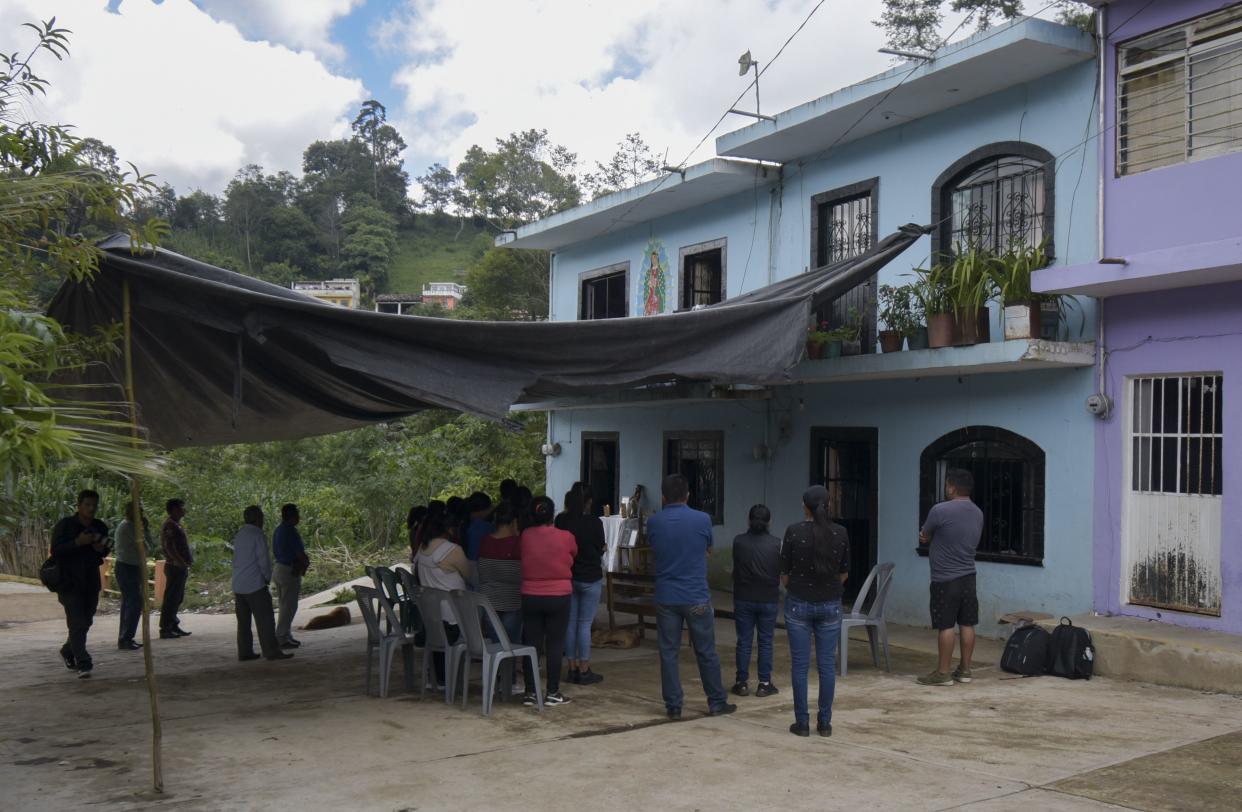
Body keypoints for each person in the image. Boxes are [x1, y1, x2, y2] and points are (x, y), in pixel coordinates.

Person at [646, 474, 735, 720]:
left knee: (668, 651)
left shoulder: (654, 522)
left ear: (663, 497)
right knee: (706, 651)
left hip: (666, 596)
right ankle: (716, 702)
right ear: (688, 495)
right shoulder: (703, 519)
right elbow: (707, 550)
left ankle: (673, 705)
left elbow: (655, 551)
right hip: (696, 596)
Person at [782, 485, 850, 737]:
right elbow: (844, 573)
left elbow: (785, 575)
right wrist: (828, 588)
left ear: (805, 506)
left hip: (798, 603)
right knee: (826, 666)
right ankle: (825, 723)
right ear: (828, 505)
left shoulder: (794, 532)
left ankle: (801, 723)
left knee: (799, 666)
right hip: (830, 605)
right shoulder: (841, 533)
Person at [917, 468, 985, 686]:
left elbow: (924, 535)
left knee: (945, 625)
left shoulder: (939, 510)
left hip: (945, 578)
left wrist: (928, 536)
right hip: (969, 576)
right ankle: (965, 670)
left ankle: (943, 673)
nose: (946, 488)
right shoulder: (977, 512)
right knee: (967, 623)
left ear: (952, 487)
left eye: (947, 485)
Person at [519, 496, 576, 706]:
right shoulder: (566, 536)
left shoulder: (525, 535)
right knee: (555, 644)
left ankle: (531, 692)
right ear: (553, 514)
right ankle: (552, 692)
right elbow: (573, 554)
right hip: (559, 595)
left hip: (530, 595)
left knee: (531, 643)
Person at [50, 489, 110, 678]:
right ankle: (84, 662)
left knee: (86, 621)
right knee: (77, 622)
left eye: (94, 505)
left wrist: (100, 549)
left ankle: (68, 650)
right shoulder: (65, 526)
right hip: (69, 581)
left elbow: (106, 549)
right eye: (87, 505)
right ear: (79, 505)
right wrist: (77, 542)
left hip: (91, 580)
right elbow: (56, 550)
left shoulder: (99, 526)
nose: (91, 509)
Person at [414, 504, 470, 685]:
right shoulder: (452, 550)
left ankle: (438, 678)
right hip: (454, 618)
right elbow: (469, 575)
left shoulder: (422, 550)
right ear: (449, 529)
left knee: (439, 644)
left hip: (431, 616)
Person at [731, 504, 782, 698]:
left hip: (743, 597)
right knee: (766, 641)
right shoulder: (777, 543)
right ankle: (764, 683)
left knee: (744, 641)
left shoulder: (738, 542)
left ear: (748, 520)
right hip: (768, 598)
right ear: (770, 522)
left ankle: (741, 683)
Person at [230, 506, 292, 662]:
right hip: (254, 584)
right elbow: (263, 561)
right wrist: (267, 578)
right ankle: (271, 651)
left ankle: (245, 652)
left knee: (243, 623)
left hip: (238, 584)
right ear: (259, 519)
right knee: (265, 620)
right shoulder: (257, 534)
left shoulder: (240, 534)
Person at [559, 488, 607, 686]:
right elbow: (601, 547)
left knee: (570, 623)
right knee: (584, 624)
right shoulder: (595, 522)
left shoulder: (562, 522)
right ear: (587, 502)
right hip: (590, 577)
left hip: (569, 576)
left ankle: (571, 668)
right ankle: (584, 669)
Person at [477, 500, 523, 646]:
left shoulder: (485, 542)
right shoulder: (519, 543)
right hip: (513, 601)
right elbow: (520, 576)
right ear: (514, 522)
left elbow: (482, 574)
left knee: (496, 644)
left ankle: (496, 669)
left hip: (489, 601)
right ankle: (509, 669)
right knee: (511, 644)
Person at [113, 502, 153, 651]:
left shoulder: (131, 526)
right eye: (139, 511)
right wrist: (145, 530)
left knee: (129, 603)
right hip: (127, 567)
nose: (142, 514)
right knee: (134, 602)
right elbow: (146, 547)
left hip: (130, 567)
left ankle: (125, 637)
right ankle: (126, 638)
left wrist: (146, 529)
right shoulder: (128, 527)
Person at [272, 503, 309, 649]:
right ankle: (281, 636)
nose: (298, 517)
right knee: (289, 606)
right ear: (292, 516)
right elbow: (299, 553)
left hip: (279, 568)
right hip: (289, 570)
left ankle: (286, 634)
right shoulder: (290, 531)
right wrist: (304, 563)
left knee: (284, 604)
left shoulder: (278, 530)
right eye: (297, 514)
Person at [159, 498, 193, 639]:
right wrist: (179, 561)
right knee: (171, 598)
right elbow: (169, 546)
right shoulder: (170, 525)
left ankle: (173, 625)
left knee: (177, 597)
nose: (183, 511)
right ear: (173, 510)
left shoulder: (176, 524)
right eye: (181, 508)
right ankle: (165, 628)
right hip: (175, 566)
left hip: (180, 566)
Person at [463, 491, 495, 585]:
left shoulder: (466, 523)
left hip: (466, 565)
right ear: (482, 510)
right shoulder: (484, 526)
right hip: (479, 566)